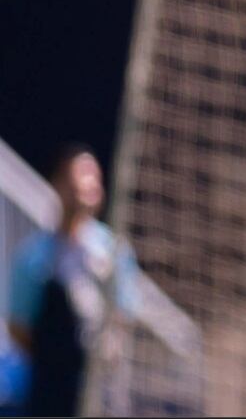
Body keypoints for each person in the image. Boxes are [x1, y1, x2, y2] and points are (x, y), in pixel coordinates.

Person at [7, 143, 138, 417]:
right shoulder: (35, 257)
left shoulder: (113, 253)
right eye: (78, 177)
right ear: (58, 184)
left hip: (97, 384)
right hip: (49, 387)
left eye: (93, 178)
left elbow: (124, 315)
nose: (85, 186)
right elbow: (18, 328)